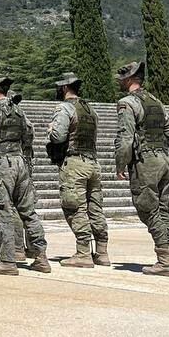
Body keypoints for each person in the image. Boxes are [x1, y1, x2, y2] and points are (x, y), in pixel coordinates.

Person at [0, 75, 50, 276]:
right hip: (20, 162)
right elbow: (29, 133)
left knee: (3, 211)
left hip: (2, 164)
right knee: (28, 211)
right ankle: (41, 256)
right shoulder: (18, 110)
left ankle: (8, 260)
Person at [114, 60, 169, 276]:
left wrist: (121, 164)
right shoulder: (156, 102)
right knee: (163, 210)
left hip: (146, 163)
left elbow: (125, 138)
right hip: (163, 159)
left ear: (130, 79)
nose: (120, 81)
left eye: (123, 78)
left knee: (147, 209)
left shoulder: (127, 103)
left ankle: (165, 260)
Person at [44, 72, 110, 268]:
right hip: (93, 163)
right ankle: (102, 252)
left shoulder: (64, 108)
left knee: (74, 206)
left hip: (74, 163)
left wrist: (50, 129)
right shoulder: (90, 110)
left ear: (64, 88)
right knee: (95, 208)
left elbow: (58, 136)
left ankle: (83, 253)